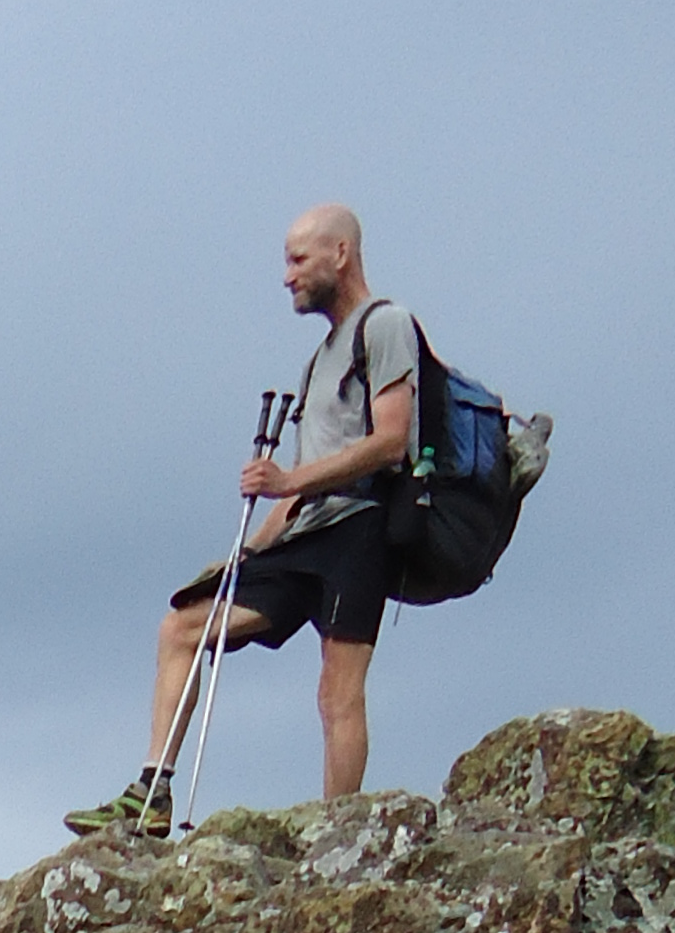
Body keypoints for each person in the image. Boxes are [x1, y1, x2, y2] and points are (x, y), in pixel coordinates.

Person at [66, 206, 418, 839]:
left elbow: (392, 442)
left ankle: (335, 837)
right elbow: (305, 474)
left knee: (337, 694)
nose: (287, 276)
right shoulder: (319, 362)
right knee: (182, 628)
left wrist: (286, 481)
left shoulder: (386, 325)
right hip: (306, 534)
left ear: (341, 253)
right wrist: (246, 555)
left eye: (298, 259)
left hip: (360, 530)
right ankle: (152, 794)